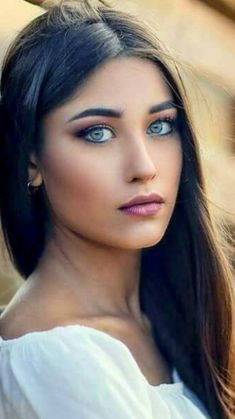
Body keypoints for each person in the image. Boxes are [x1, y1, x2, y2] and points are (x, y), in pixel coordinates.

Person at [0, 1, 234, 418]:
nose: (144, 167)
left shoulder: (179, 317)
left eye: (160, 125)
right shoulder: (56, 357)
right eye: (98, 132)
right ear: (31, 160)